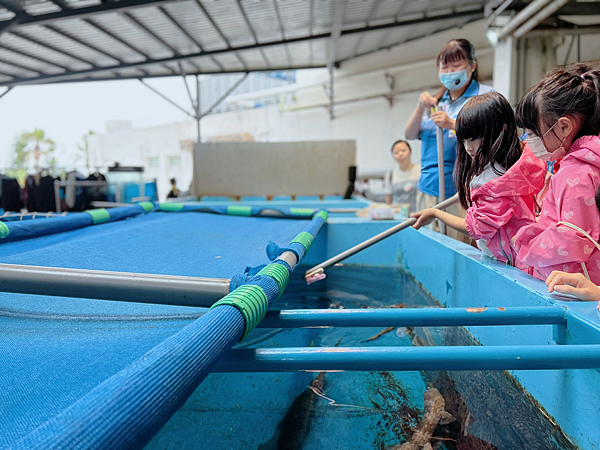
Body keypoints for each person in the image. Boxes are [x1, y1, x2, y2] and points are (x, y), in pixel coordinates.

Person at [411, 92, 546, 267]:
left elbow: (475, 229)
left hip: (509, 259)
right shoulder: (522, 159)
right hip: (524, 251)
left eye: (473, 138)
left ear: (502, 129)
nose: (468, 148)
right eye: (464, 140)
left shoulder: (492, 181)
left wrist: (435, 213)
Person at [513, 62, 600, 283]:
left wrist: (526, 243)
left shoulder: (576, 174)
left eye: (533, 132)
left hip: (576, 287)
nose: (528, 140)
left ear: (563, 127)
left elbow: (573, 240)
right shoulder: (588, 162)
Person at [404, 39, 493, 240]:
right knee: (427, 247)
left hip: (462, 193)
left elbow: (496, 136)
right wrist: (420, 108)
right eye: (445, 66)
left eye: (456, 65)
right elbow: (410, 134)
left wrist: (454, 124)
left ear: (472, 66)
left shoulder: (485, 96)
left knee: (460, 248)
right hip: (428, 188)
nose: (449, 71)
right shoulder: (437, 102)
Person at [384, 140, 421, 213]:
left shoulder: (421, 171)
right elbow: (388, 201)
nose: (400, 154)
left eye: (403, 150)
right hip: (398, 217)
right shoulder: (390, 175)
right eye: (396, 152)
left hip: (418, 215)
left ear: (410, 151)